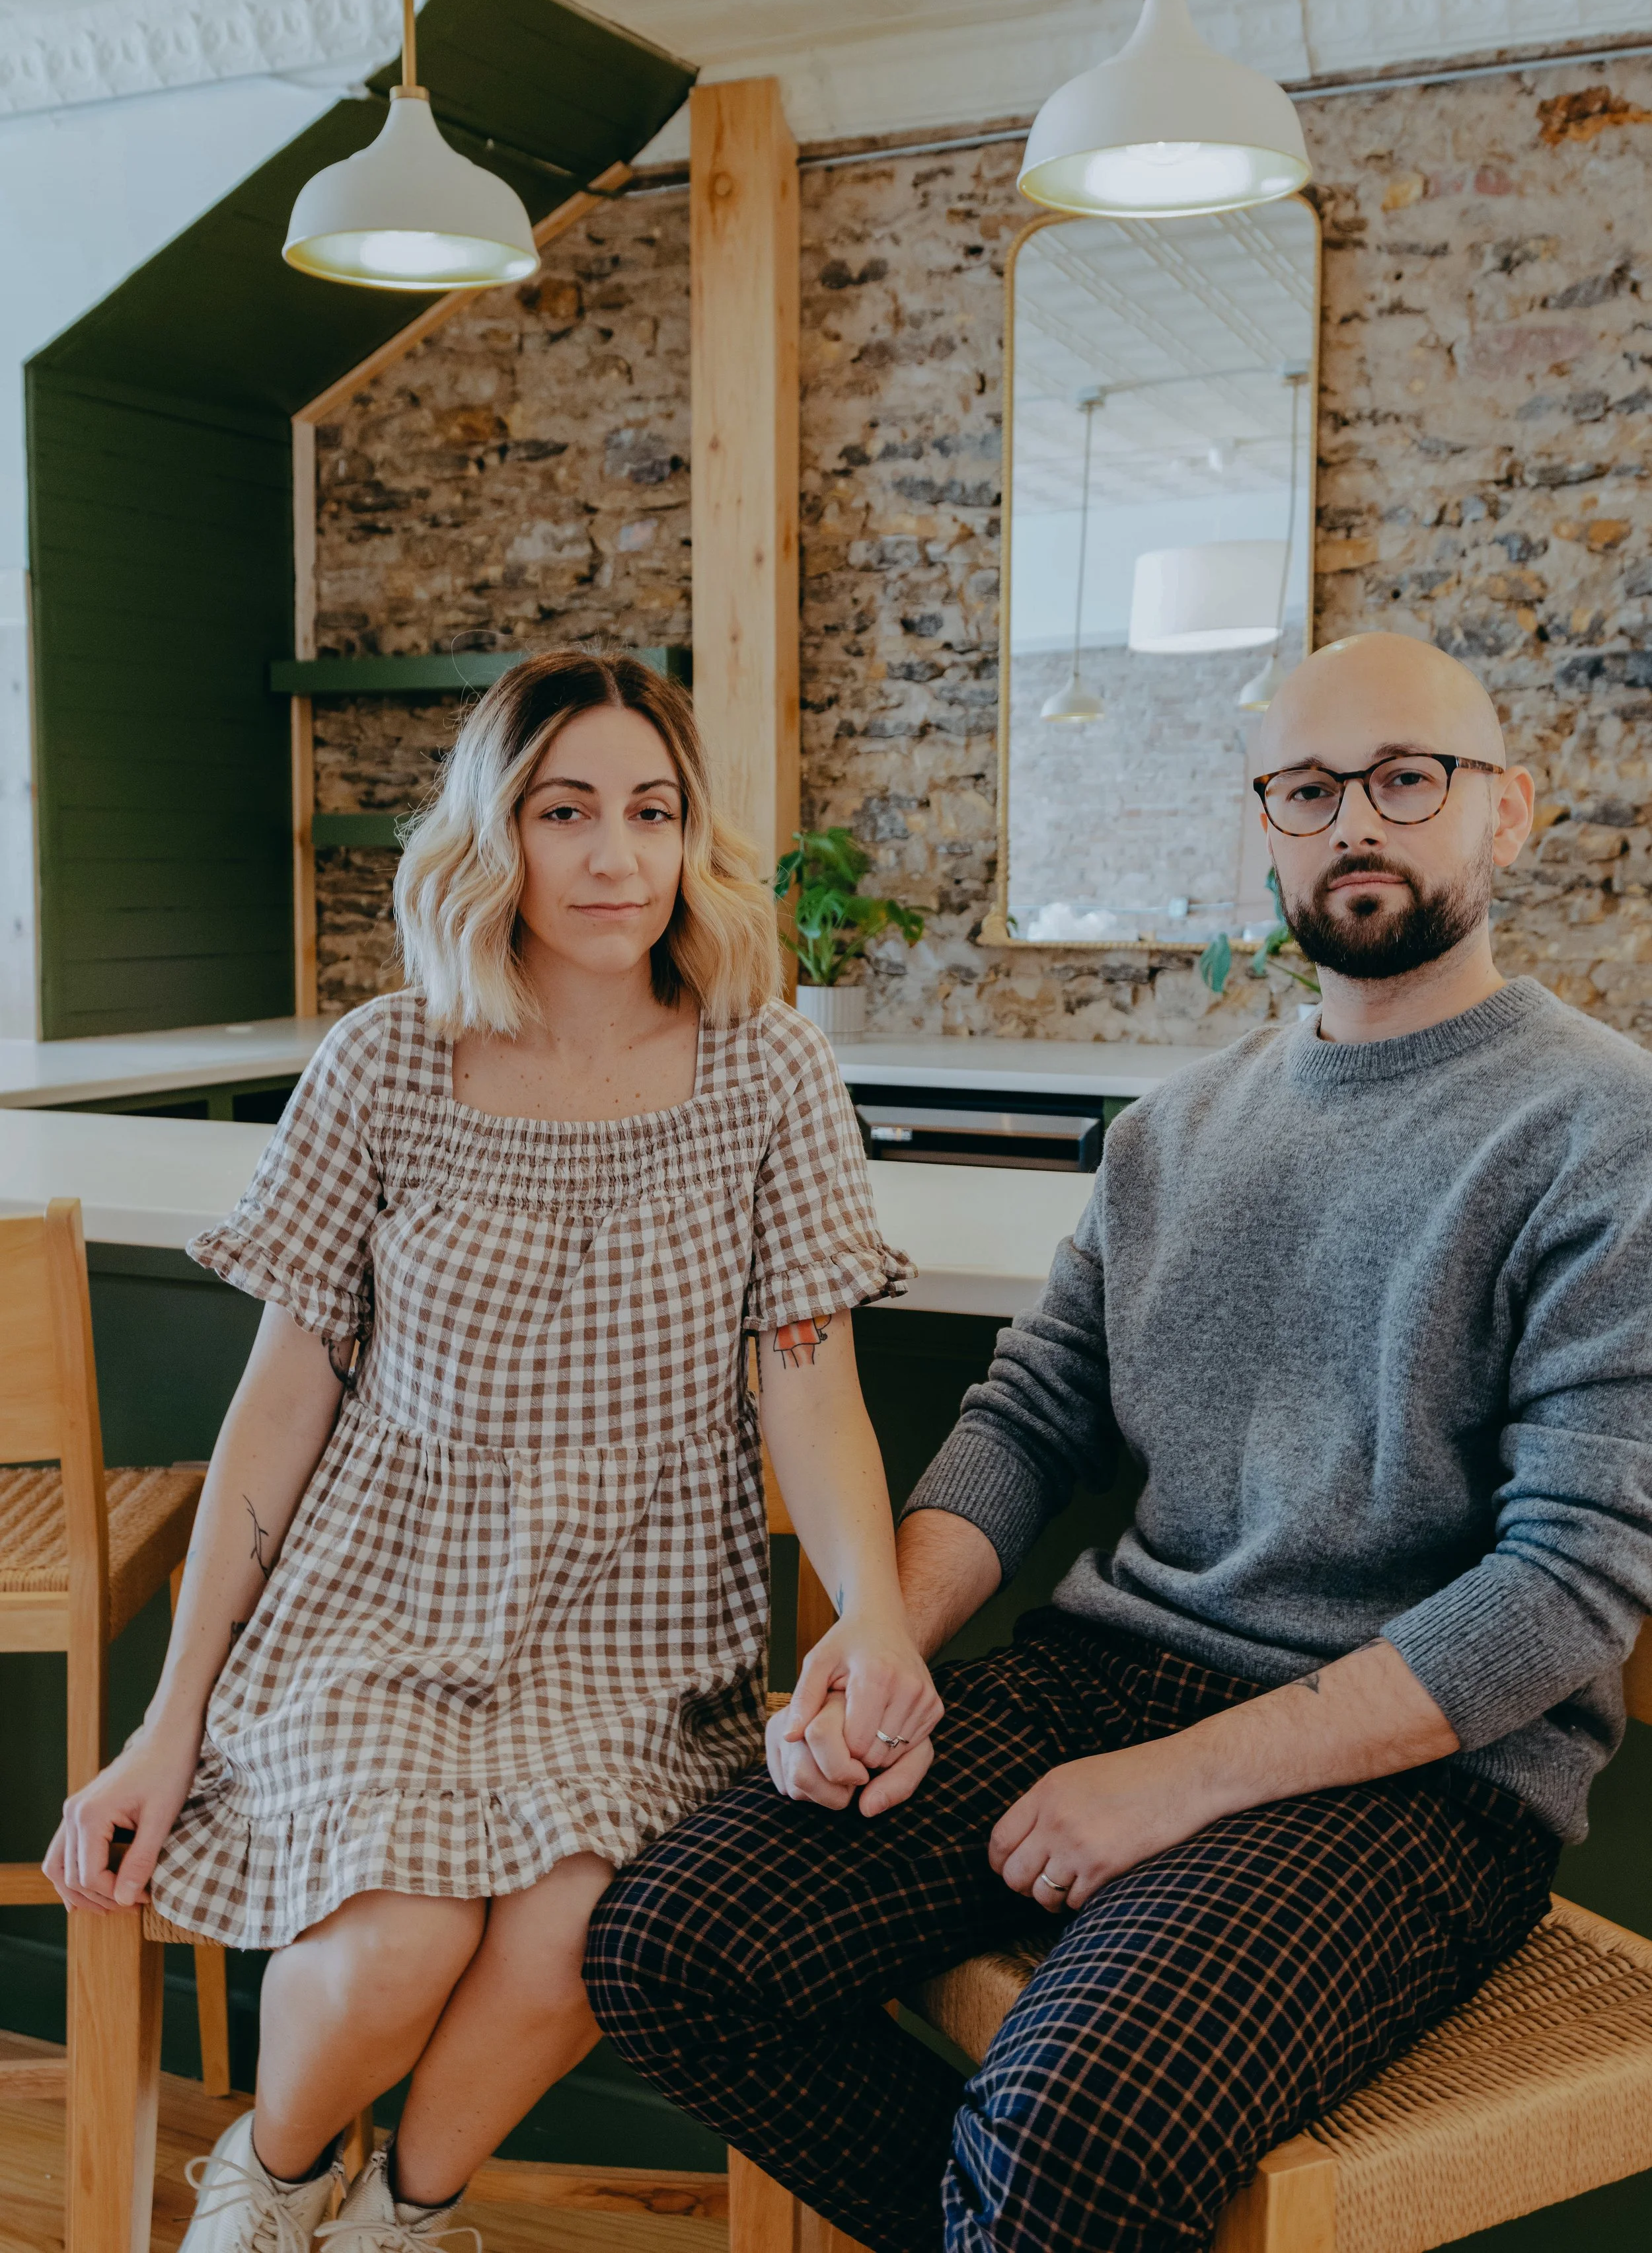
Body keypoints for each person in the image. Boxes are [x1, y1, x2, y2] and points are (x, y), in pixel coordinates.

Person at [587, 630, 1652, 2253]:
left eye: (1404, 777)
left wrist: (1175, 1783)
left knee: (1069, 2133)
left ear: (1504, 813)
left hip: (1422, 1775)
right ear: (1265, 828)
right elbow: (1026, 1413)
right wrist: (885, 1635)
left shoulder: (1601, 1127)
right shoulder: (1170, 1130)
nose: (1352, 817)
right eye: (1306, 787)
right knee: (668, 1944)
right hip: (1110, 1675)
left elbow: (1564, 1590)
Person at [45, 652, 940, 2253]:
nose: (614, 857)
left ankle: (404, 2218)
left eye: (650, 811)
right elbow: (280, 1400)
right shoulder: (385, 1061)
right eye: (564, 810)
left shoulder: (768, 1069)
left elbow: (810, 1389)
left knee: (581, 1921)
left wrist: (868, 1608)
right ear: (492, 836)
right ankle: (270, 2186)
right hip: (373, 1605)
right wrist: (166, 1720)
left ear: (691, 836)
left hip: (635, 1623)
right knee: (398, 1937)